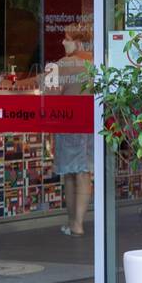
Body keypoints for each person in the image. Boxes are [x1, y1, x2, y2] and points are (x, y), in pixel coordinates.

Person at [49, 21, 94, 236]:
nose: (63, 41)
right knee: (84, 172)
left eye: (66, 38)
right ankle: (79, 222)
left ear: (77, 42)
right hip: (89, 123)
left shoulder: (63, 64)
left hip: (67, 123)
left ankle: (73, 222)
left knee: (69, 173)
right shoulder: (95, 63)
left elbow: (49, 94)